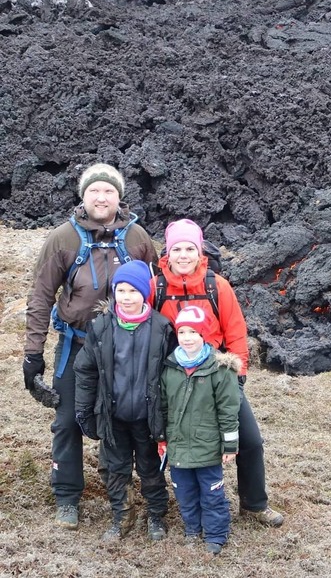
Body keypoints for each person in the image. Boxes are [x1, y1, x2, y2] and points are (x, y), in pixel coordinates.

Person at [22, 163, 158, 530]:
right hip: (76, 345)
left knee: (121, 419)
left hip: (126, 348)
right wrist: (33, 354)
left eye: (109, 191)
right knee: (67, 420)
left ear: (119, 197)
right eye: (94, 190)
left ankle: (126, 495)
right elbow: (40, 297)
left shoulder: (138, 238)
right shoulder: (63, 239)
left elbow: (155, 293)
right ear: (83, 196)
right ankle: (66, 496)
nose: (101, 197)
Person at [149, 218, 284, 527]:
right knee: (155, 441)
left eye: (189, 249)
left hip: (217, 377)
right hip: (174, 380)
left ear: (200, 252)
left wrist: (237, 377)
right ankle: (156, 507)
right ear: (167, 254)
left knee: (250, 441)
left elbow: (235, 332)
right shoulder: (156, 288)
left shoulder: (217, 286)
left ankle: (254, 503)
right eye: (176, 249)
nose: (183, 255)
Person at [73, 260, 173, 541]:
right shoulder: (101, 327)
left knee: (150, 468)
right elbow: (85, 370)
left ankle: (156, 515)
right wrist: (84, 411)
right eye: (121, 291)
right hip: (112, 416)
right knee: (115, 470)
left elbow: (171, 376)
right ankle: (122, 516)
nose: (126, 298)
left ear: (145, 293)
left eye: (133, 291)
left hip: (148, 417)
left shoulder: (162, 328)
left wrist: (168, 417)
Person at [161, 305, 241, 555]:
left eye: (193, 332)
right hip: (178, 446)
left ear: (204, 334)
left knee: (212, 493)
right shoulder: (169, 367)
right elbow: (162, 407)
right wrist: (162, 438)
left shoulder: (220, 369)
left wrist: (230, 445)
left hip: (208, 446)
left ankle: (215, 534)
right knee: (184, 492)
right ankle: (192, 528)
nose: (187, 338)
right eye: (182, 332)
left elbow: (228, 411)